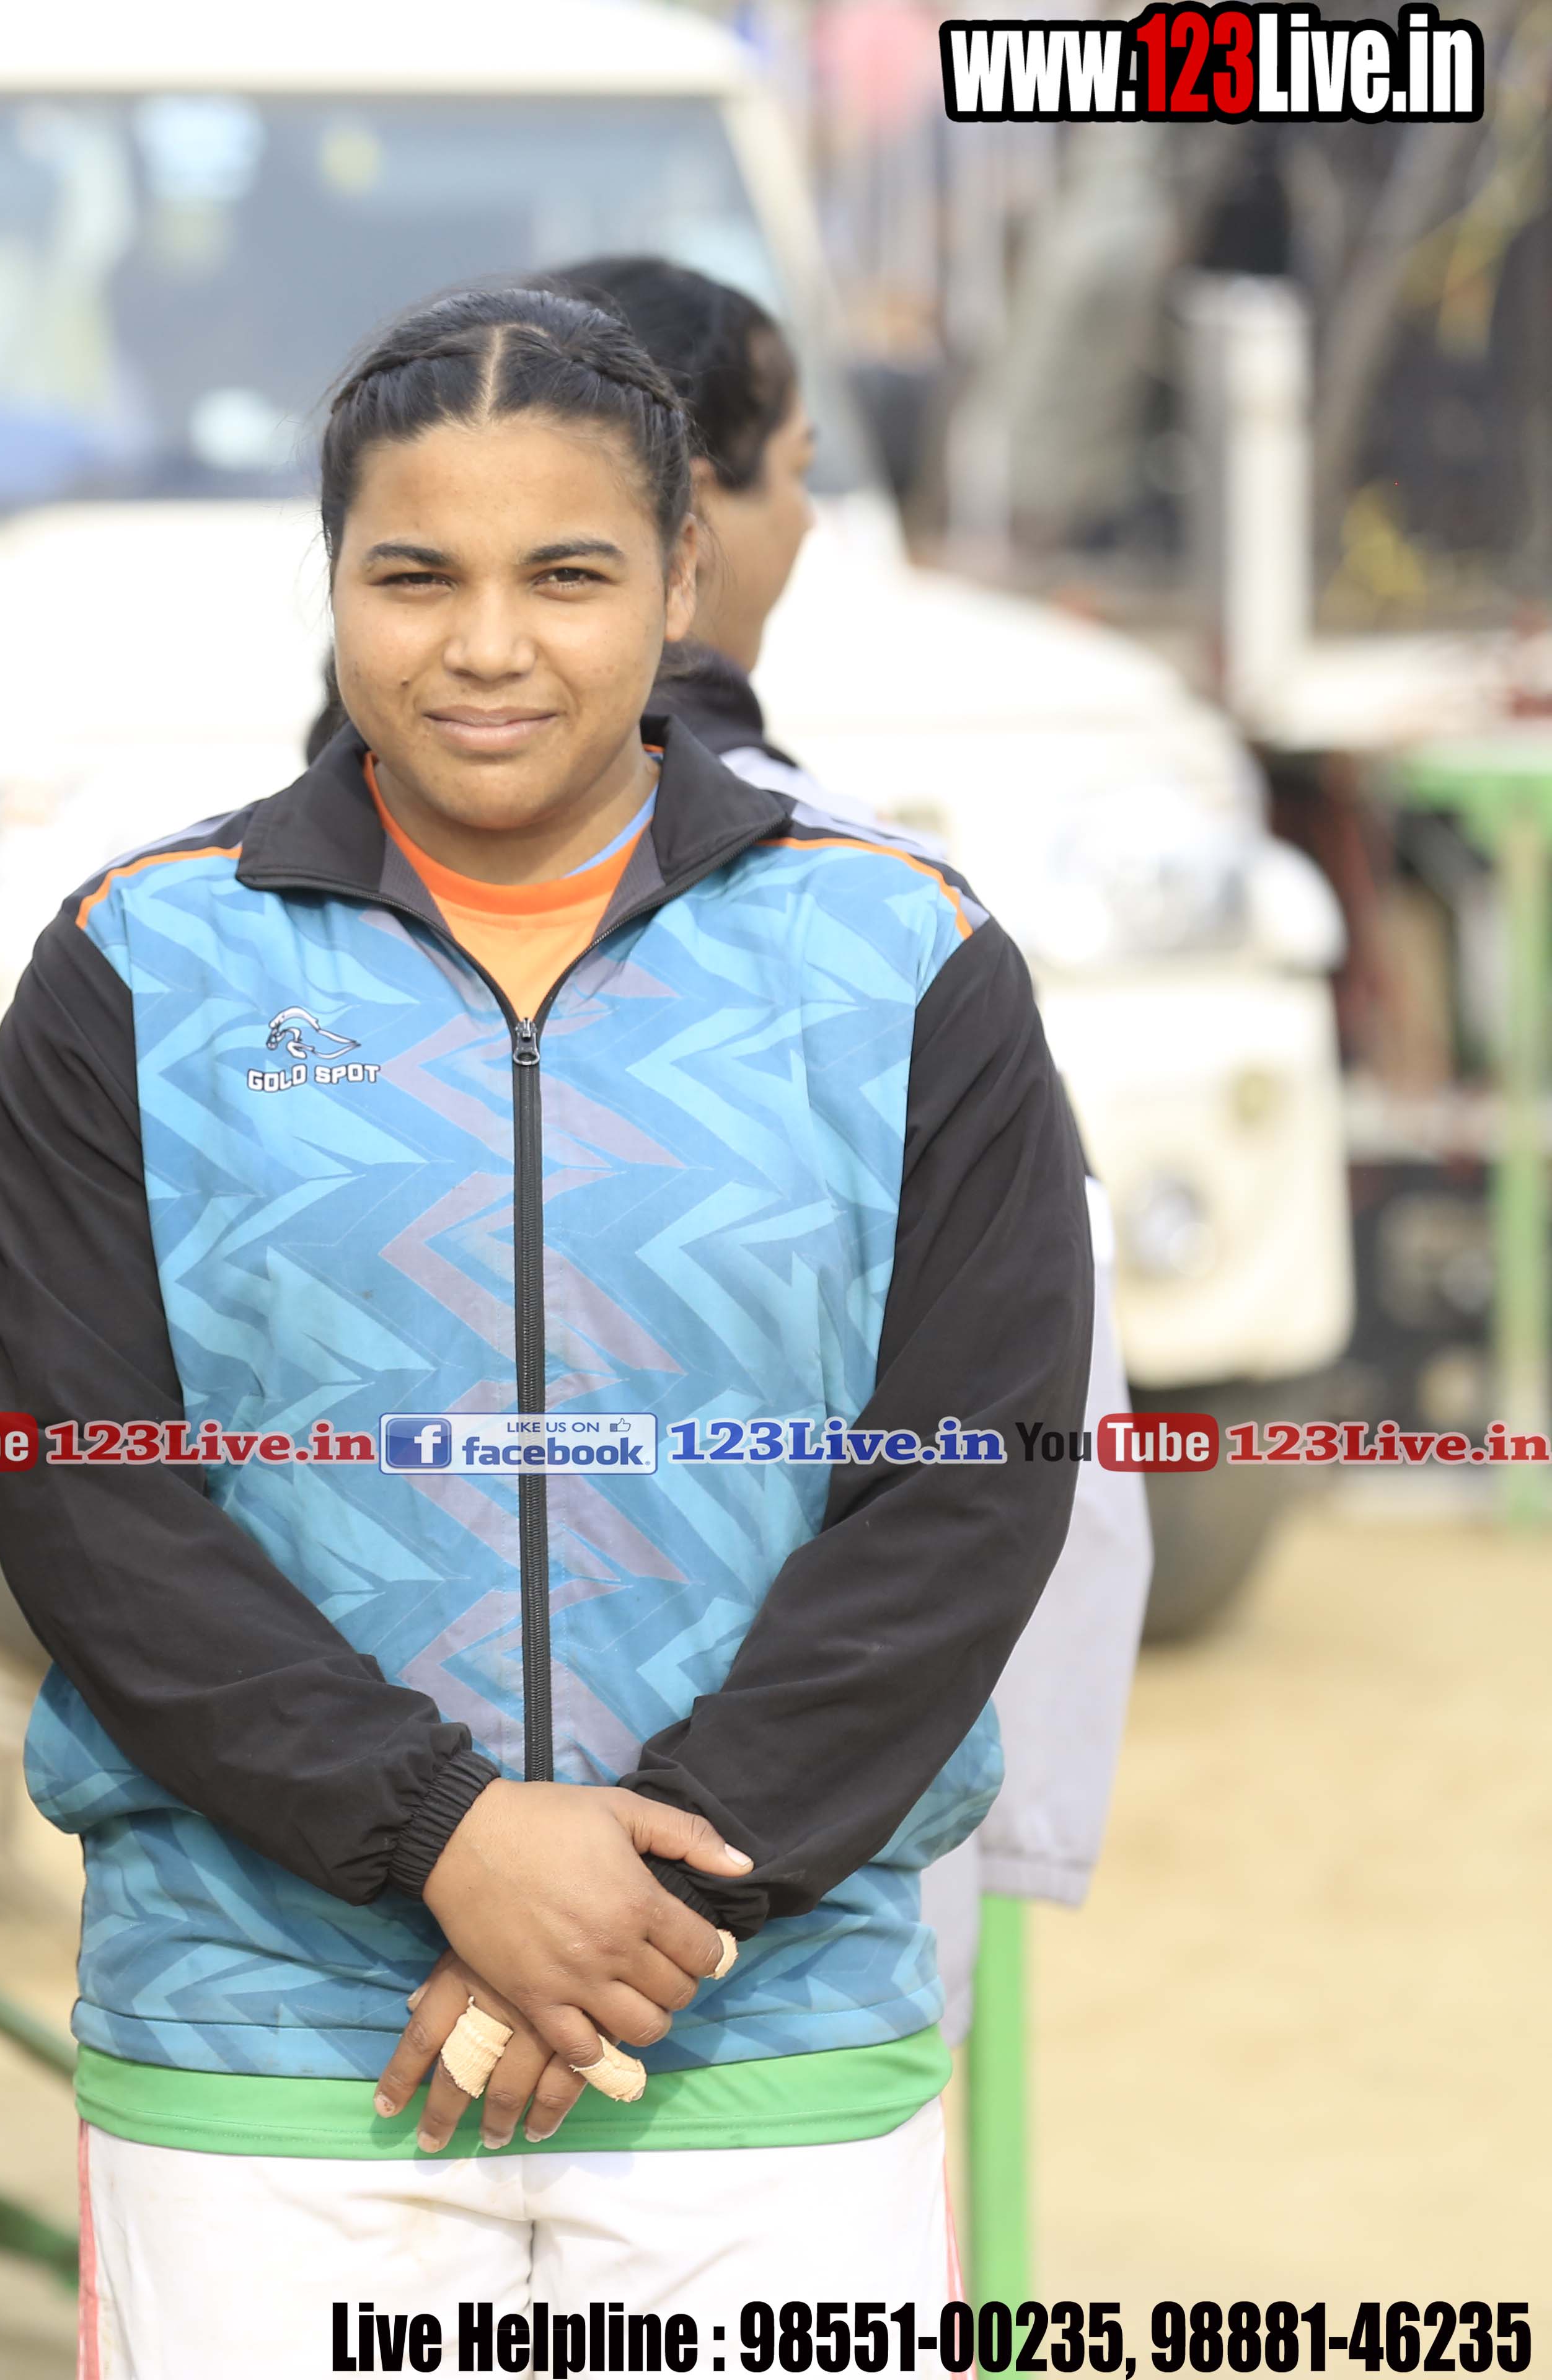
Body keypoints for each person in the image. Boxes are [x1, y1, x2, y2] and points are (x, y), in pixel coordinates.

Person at [0, 286, 1091, 2359]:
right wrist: (445, 1838)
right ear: (332, 582)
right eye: (417, 576)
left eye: (565, 575)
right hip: (270, 2041)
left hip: (758, 2042)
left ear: (681, 577)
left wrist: (648, 1907)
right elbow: (84, 1495)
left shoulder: (902, 957)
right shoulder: (141, 966)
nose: (487, 645)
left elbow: (968, 1494)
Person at [538, 252, 1155, 2028]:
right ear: (689, 520)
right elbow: (1041, 1434)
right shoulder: (888, 922)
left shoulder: (212, 921)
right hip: (783, 1929)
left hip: (345, 1943)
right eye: (795, 468)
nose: (809, 518)